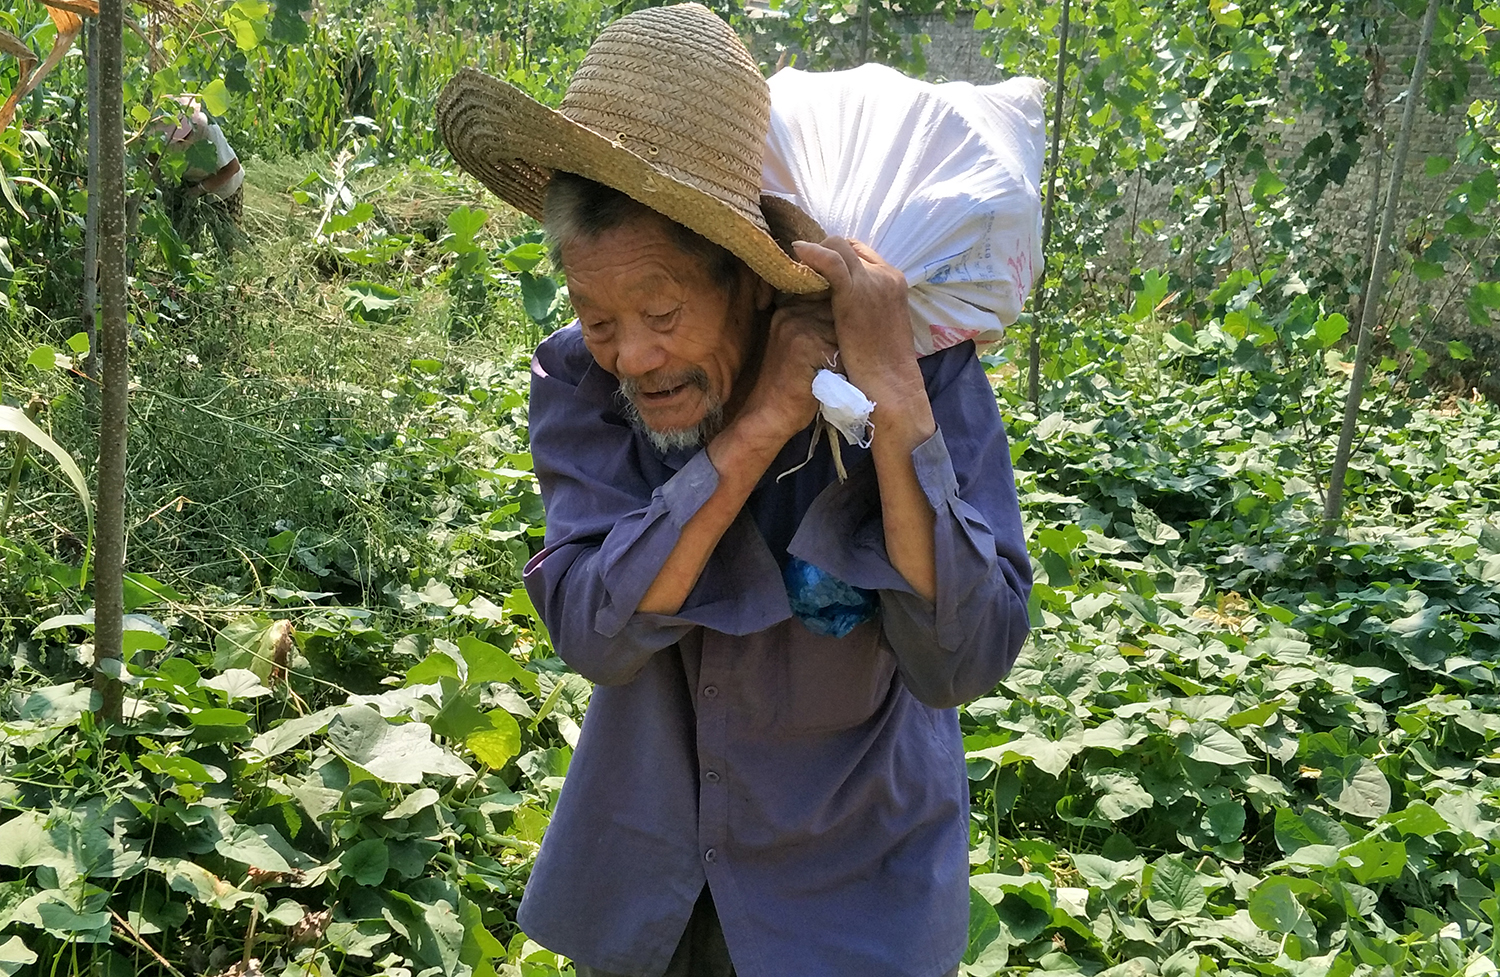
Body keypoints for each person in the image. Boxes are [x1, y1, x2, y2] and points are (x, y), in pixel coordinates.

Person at [436, 5, 1032, 976]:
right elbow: (597, 626)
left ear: (751, 278)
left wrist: (893, 403)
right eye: (596, 316)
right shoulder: (582, 384)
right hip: (656, 886)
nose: (631, 355)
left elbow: (966, 656)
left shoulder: (925, 368)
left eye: (662, 312)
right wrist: (755, 429)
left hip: (853, 895)